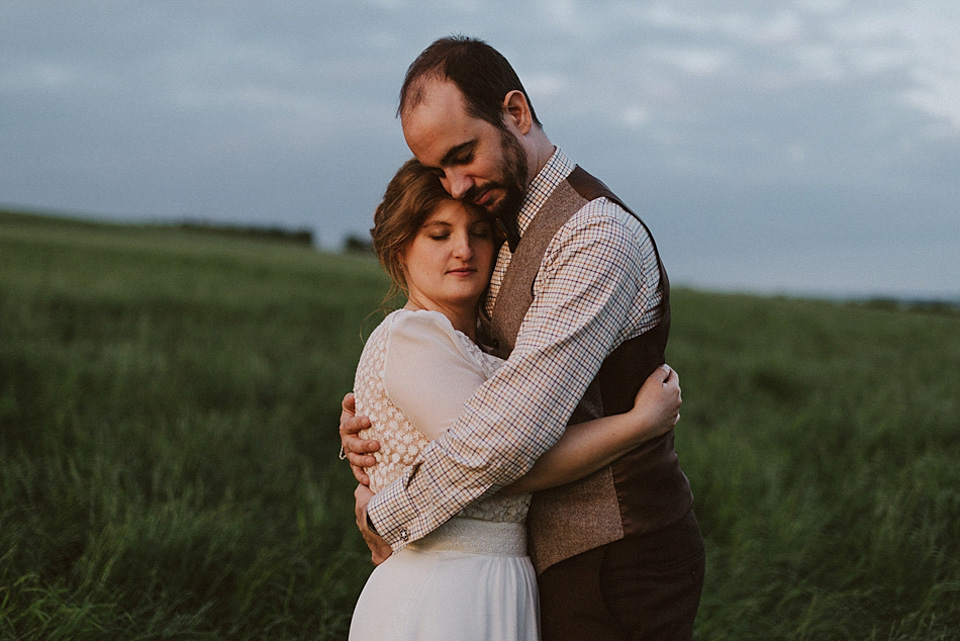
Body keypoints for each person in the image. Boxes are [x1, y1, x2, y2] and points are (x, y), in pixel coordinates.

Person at [342, 36, 705, 641]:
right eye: (440, 171)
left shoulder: (594, 237)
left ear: (516, 112)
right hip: (533, 557)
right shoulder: (498, 222)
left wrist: (392, 506)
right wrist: (378, 431)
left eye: (464, 154)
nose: (456, 186)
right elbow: (460, 381)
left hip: (617, 553)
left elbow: (506, 436)